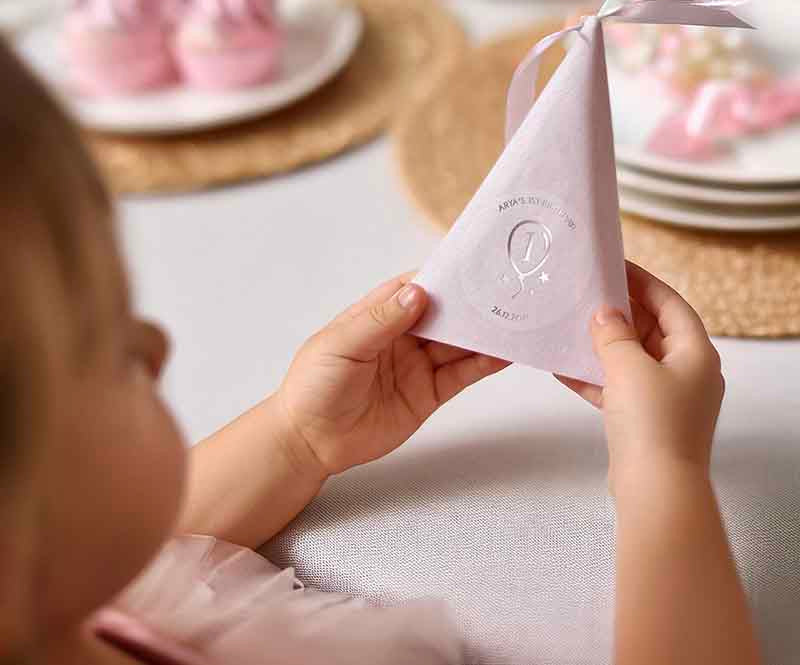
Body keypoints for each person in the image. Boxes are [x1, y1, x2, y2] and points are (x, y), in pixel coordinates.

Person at [0, 41, 760, 665]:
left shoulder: (59, 606)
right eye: (104, 347)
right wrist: (665, 474)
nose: (158, 344)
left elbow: (136, 560)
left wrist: (298, 437)